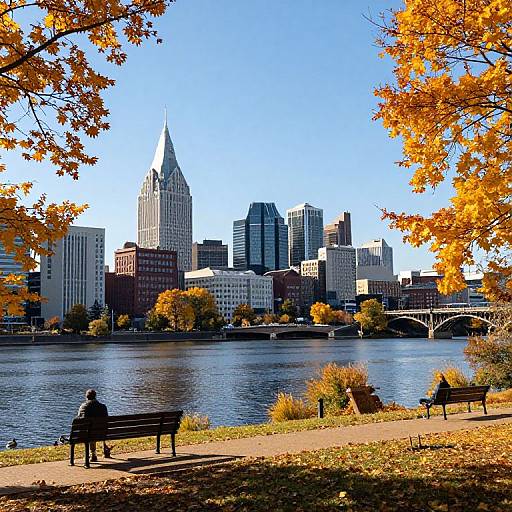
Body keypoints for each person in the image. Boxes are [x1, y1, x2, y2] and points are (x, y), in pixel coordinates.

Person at [76, 389, 108, 462]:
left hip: (87, 434)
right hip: (103, 433)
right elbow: (106, 421)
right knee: (97, 429)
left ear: (86, 397)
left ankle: (93, 454)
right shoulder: (103, 407)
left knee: (90, 431)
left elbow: (78, 419)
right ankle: (105, 450)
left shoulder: (83, 406)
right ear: (95, 397)